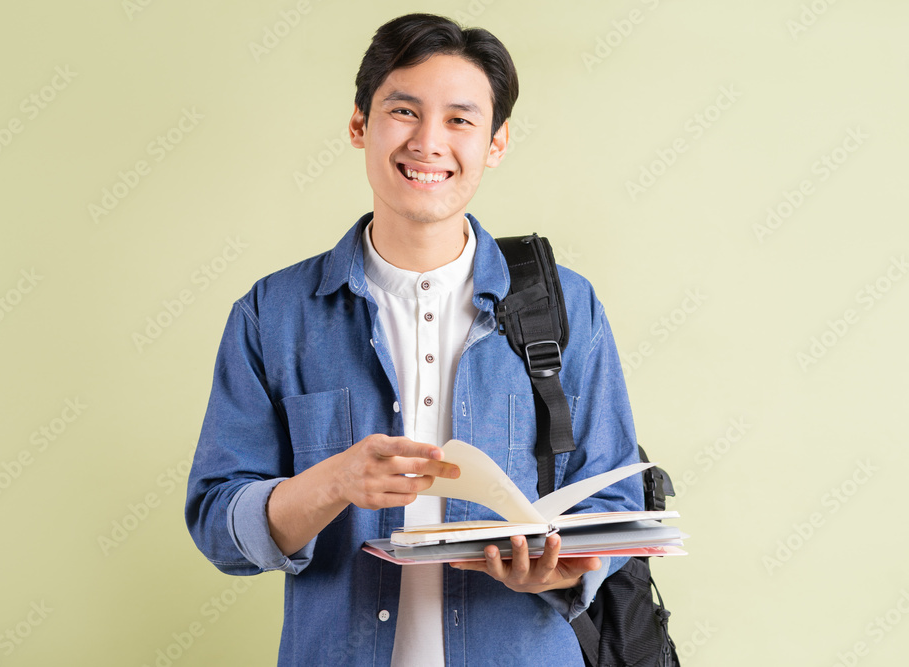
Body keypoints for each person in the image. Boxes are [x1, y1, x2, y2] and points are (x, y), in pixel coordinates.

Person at [185, 12, 644, 666]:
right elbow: (219, 522)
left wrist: (561, 569)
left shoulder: (568, 305)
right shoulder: (273, 313)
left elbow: (614, 499)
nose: (429, 141)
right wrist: (334, 481)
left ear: (496, 142)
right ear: (359, 124)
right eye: (404, 110)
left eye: (460, 119)